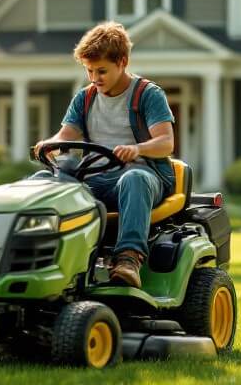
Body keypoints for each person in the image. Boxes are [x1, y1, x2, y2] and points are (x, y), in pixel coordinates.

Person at [35, 22, 175, 289]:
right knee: (44, 181)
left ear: (122, 62)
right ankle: (41, 256)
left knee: (134, 177)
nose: (94, 78)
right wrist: (47, 144)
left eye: (101, 71)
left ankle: (128, 259)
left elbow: (166, 143)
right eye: (89, 71)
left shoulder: (148, 95)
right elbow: (65, 137)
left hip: (144, 176)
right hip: (97, 178)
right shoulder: (84, 98)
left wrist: (138, 149)